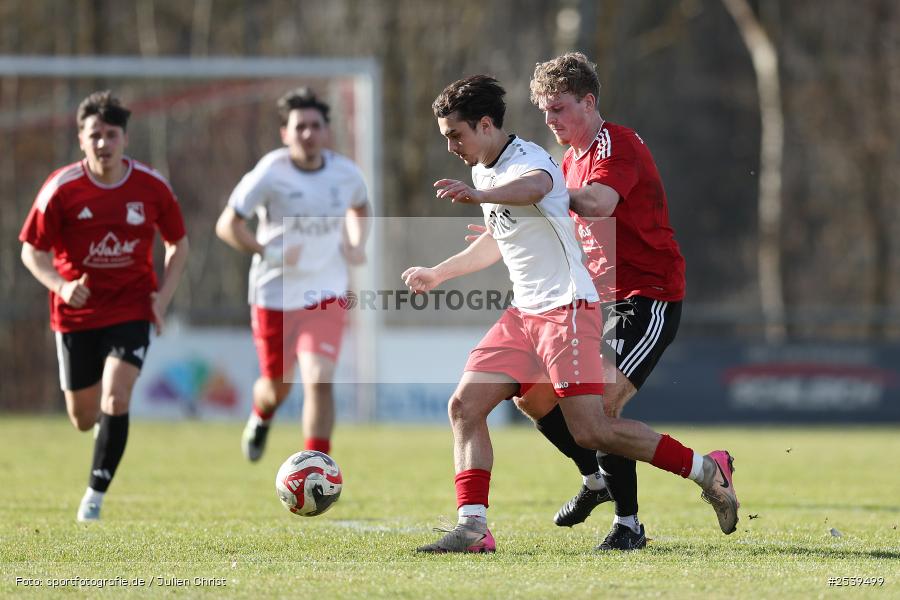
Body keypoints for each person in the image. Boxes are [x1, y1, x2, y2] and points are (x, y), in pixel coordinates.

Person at [404, 75, 738, 554]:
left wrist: (490, 196)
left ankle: (705, 470)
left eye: (455, 135)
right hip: (524, 314)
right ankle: (474, 527)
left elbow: (539, 186)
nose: (451, 146)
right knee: (466, 406)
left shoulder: (532, 161)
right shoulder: (484, 170)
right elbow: (499, 239)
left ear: (484, 125)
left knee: (596, 427)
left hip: (567, 310)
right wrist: (438, 274)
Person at [515, 52, 689, 551]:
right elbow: (569, 227)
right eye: (544, 112)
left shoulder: (619, 144)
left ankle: (629, 525)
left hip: (647, 297)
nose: (550, 121)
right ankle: (595, 479)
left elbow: (598, 203)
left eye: (559, 108)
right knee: (534, 395)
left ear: (589, 103)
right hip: (597, 301)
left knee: (602, 407)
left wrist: (545, 195)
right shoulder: (569, 160)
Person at [19, 90, 190, 522]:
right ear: (81, 139)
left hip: (132, 307)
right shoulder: (61, 189)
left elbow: (178, 244)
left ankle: (93, 498)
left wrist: (161, 299)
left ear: (125, 139)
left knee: (117, 394)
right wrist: (60, 285)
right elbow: (31, 252)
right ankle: (104, 435)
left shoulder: (151, 187)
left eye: (111, 135)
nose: (103, 143)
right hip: (75, 315)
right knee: (82, 416)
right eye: (95, 135)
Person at [216, 87, 369, 463]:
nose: (308, 134)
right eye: (299, 127)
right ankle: (261, 414)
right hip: (274, 294)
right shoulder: (271, 171)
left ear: (326, 131)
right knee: (276, 388)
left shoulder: (345, 173)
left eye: (315, 126)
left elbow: (361, 207)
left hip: (326, 290)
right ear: (285, 133)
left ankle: (318, 466)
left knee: (319, 377)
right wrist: (269, 251)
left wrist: (356, 242)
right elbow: (227, 225)